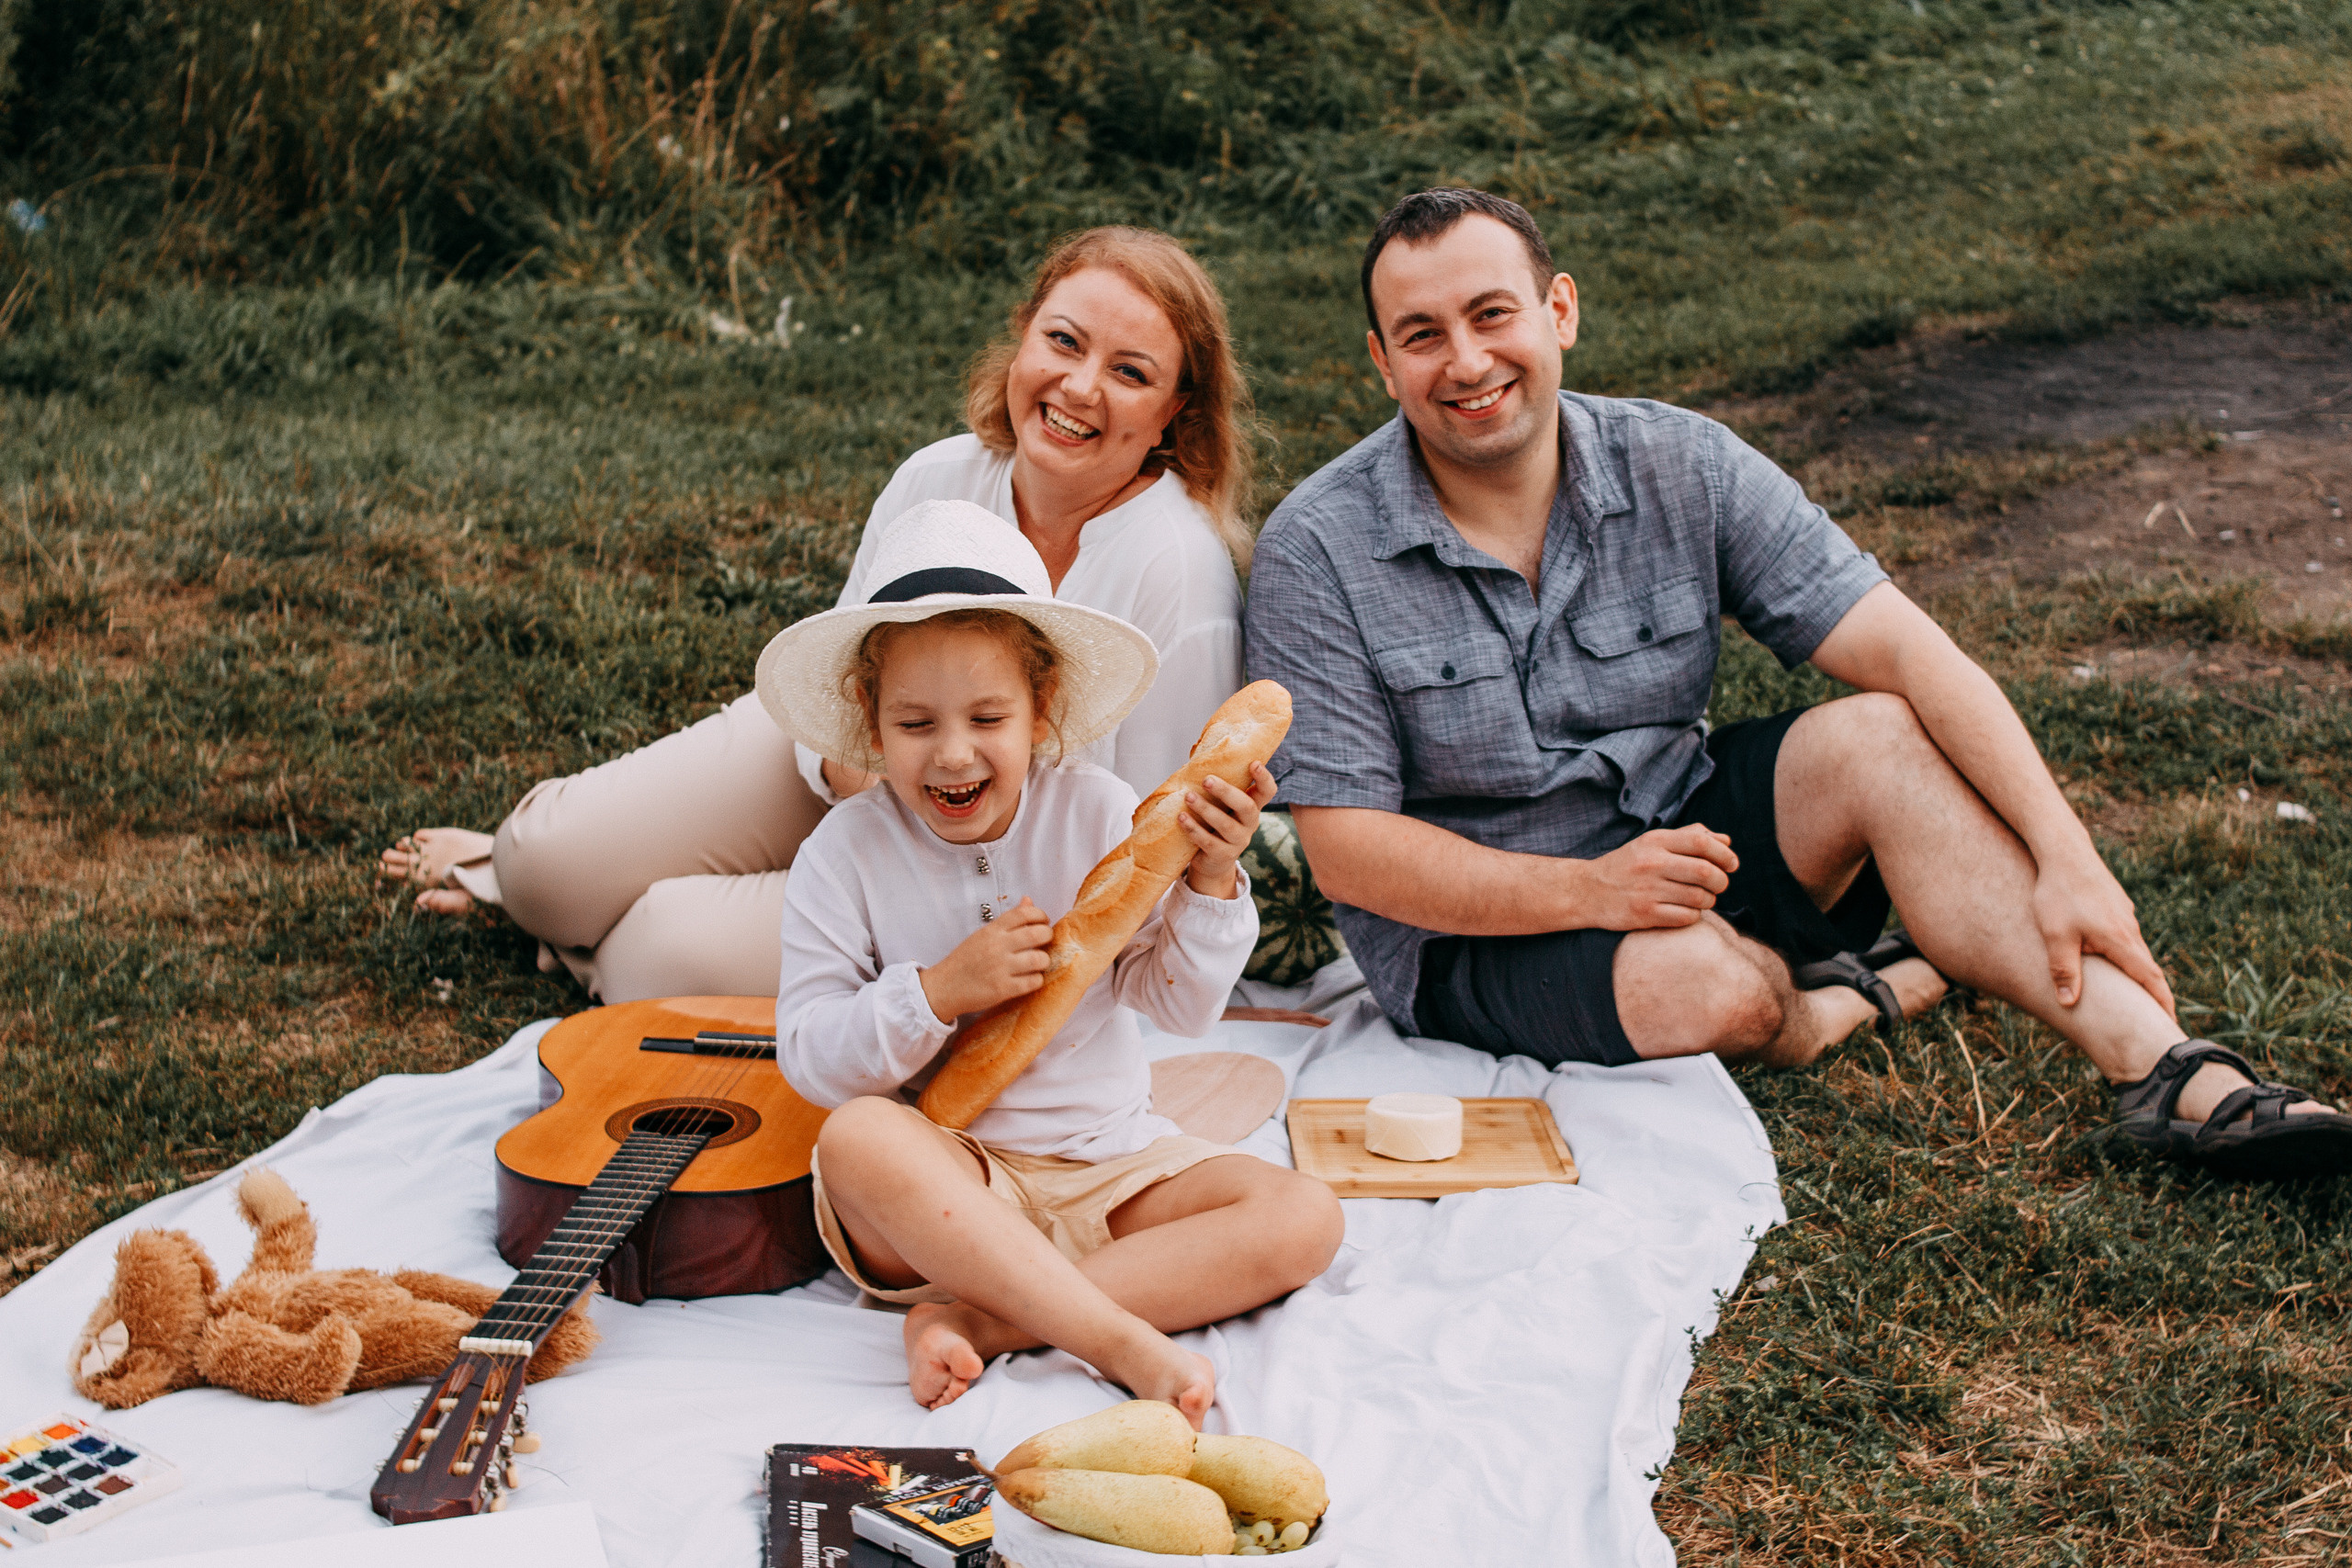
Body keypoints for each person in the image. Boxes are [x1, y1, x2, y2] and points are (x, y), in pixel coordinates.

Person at [1242, 186, 2352, 1177]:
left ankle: (2170, 1074)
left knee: (1878, 733)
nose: (1467, 362)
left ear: (1558, 312)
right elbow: (1351, 851)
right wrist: (1593, 895)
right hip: (1475, 935)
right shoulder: (1319, 548)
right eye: (1422, 336)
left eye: (1492, 315)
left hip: (1685, 834)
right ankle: (1833, 1003)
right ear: (1382, 364)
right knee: (1711, 987)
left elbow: (1914, 654)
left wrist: (2070, 859)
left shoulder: (1682, 463)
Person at [379, 226, 1253, 1002]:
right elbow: (847, 678)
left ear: (1175, 410)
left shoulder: (1179, 569)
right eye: (1062, 341)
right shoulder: (938, 476)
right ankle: (526, 893)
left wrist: (899, 860)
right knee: (543, 860)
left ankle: (595, 941)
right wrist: (859, 795)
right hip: (850, 763)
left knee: (655, 952)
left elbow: (1140, 852)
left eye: (1130, 373)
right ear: (1023, 337)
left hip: (991, 869)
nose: (1080, 386)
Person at [763, 500, 1340, 1418]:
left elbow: (1181, 1007)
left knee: (1303, 1215)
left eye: (987, 716)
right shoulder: (844, 852)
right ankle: (1116, 1337)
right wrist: (937, 994)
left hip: (1111, 1166)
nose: (952, 753)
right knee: (857, 1140)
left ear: (1043, 712)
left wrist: (1212, 878)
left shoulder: (1103, 812)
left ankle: (989, 1326)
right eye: (915, 725)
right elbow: (812, 1056)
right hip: (955, 1191)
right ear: (870, 727)